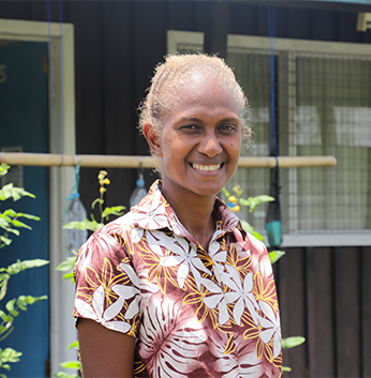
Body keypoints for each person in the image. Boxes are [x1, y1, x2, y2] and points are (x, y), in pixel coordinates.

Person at [73, 53, 283, 378]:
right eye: (192, 127)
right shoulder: (117, 251)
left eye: (226, 127)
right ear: (155, 138)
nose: (212, 146)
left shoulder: (250, 253)